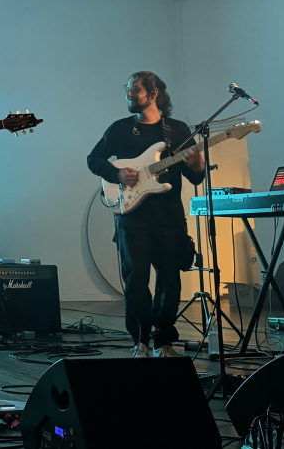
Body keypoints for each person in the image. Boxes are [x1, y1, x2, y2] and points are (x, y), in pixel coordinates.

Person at [87, 72, 205, 358]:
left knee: (170, 280)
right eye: (127, 90)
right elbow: (93, 159)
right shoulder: (119, 129)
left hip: (169, 219)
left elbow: (195, 177)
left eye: (134, 90)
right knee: (137, 280)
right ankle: (139, 340)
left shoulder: (176, 131)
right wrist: (116, 173)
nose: (128, 95)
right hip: (133, 219)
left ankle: (164, 340)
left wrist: (198, 163)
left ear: (153, 94)